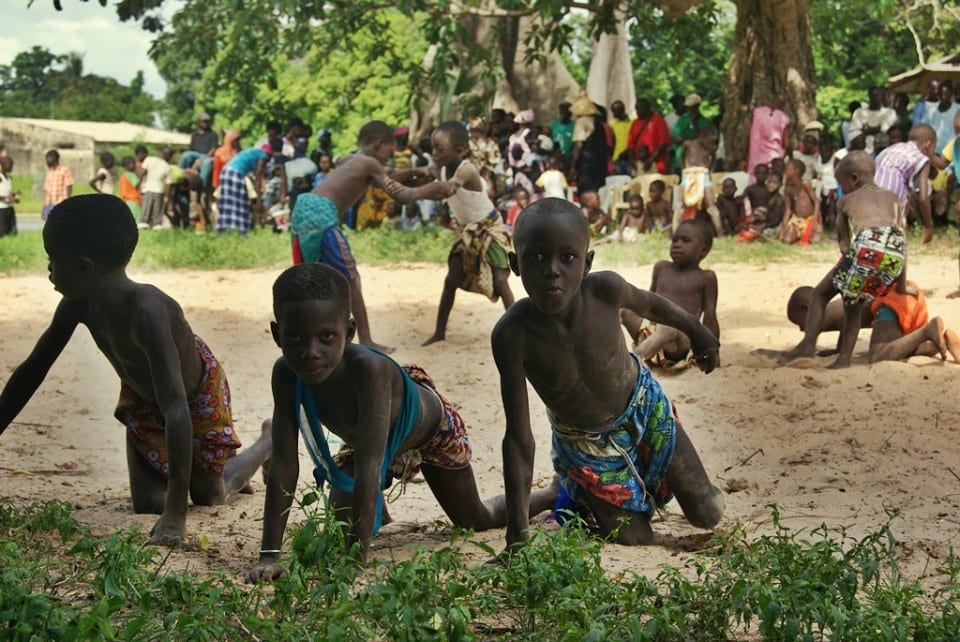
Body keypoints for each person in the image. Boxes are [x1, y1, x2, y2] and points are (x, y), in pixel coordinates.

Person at [243, 263, 556, 581]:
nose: (310, 352)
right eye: (294, 338)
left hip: (432, 432)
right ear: (276, 335)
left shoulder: (369, 372)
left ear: (349, 332)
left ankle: (551, 494)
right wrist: (269, 557)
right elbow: (283, 463)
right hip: (369, 442)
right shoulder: (285, 374)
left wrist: (355, 563)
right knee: (339, 527)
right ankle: (384, 515)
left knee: (475, 518)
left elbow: (370, 466)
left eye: (326, 337)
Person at [0, 194, 272, 544]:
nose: (49, 269)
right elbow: (31, 372)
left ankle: (267, 441)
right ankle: (208, 465)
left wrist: (177, 513)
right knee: (146, 505)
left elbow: (176, 409)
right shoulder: (76, 306)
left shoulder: (148, 312)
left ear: (84, 267)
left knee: (210, 495)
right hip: (142, 399)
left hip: (194, 396)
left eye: (54, 260)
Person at [491, 198, 723, 552]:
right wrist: (516, 538)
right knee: (634, 537)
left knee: (708, 511)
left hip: (644, 410)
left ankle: (586, 490)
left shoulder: (605, 290)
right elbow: (519, 438)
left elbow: (651, 304)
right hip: (585, 445)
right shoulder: (512, 335)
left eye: (567, 258)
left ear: (587, 264)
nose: (552, 270)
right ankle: (574, 491)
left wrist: (699, 332)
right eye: (536, 257)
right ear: (514, 265)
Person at [291, 120, 423, 353]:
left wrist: (414, 173)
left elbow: (385, 175)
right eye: (388, 151)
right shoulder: (370, 162)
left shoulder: (351, 159)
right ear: (379, 143)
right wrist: (437, 188)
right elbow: (399, 193)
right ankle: (366, 340)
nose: (389, 157)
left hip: (304, 210)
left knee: (314, 277)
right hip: (323, 216)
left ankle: (308, 332)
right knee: (350, 279)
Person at [780, 152, 906, 368]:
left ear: (854, 179)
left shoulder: (846, 200)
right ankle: (844, 356)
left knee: (821, 293)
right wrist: (901, 284)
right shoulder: (893, 197)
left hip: (868, 244)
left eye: (841, 183)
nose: (841, 188)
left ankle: (808, 346)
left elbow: (845, 245)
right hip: (895, 252)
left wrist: (848, 273)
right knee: (853, 300)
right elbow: (901, 238)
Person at [399, 121, 515, 347]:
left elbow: (447, 189)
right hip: (466, 231)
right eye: (432, 148)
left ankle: (520, 329)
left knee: (501, 281)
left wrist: (412, 193)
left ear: (460, 151)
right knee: (451, 279)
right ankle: (439, 332)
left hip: (488, 228)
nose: (434, 153)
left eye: (440, 149)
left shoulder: (466, 169)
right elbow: (422, 178)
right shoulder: (439, 168)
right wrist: (389, 178)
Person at [621, 219, 719, 371]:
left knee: (669, 327)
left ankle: (632, 364)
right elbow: (647, 302)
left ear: (703, 251)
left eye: (685, 241)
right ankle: (605, 354)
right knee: (623, 309)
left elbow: (710, 316)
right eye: (674, 240)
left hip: (679, 343)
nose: (677, 244)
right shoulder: (661, 268)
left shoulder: (706, 278)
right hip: (649, 334)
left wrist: (712, 351)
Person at [784, 284, 953, 364]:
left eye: (798, 322)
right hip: (908, 297)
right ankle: (939, 342)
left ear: (806, 309)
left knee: (877, 355)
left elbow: (806, 345)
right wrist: (839, 350)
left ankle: (927, 331)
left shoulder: (825, 313)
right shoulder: (837, 306)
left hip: (889, 303)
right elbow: (848, 324)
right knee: (902, 350)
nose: (801, 329)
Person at [873, 124, 935, 244]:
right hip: (892, 197)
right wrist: (928, 226)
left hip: (871, 189)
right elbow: (923, 198)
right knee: (895, 239)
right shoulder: (921, 158)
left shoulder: (893, 148)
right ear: (928, 145)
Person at [676, 123, 723, 235]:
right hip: (689, 174)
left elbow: (714, 159)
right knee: (679, 206)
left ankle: (721, 233)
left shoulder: (710, 149)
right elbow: (682, 156)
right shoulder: (688, 144)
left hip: (704, 175)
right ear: (702, 136)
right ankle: (675, 233)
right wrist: (684, 169)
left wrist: (710, 170)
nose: (712, 144)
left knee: (711, 206)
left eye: (714, 141)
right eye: (710, 141)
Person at [216, 144, 269, 234]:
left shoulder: (254, 152)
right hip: (235, 173)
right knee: (240, 202)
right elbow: (258, 175)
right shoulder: (263, 156)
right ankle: (241, 230)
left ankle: (225, 229)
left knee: (228, 203)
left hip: (225, 172)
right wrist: (258, 198)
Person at [569, 95, 609, 199]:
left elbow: (578, 146)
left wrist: (573, 166)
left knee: (585, 191)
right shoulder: (599, 124)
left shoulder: (581, 122)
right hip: (599, 162)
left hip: (586, 163)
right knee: (595, 190)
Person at [744, 94, 791, 181]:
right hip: (775, 159)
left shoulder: (756, 113)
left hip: (755, 160)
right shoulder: (784, 118)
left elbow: (748, 137)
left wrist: (744, 158)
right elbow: (787, 144)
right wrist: (790, 158)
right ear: (783, 105)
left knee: (755, 184)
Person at [778, 159, 821, 245]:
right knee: (786, 240)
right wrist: (783, 228)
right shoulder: (788, 189)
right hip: (797, 219)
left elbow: (816, 202)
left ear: (796, 170)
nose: (785, 172)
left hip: (810, 218)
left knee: (813, 241)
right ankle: (795, 233)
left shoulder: (805, 184)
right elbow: (788, 210)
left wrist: (815, 222)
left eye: (787, 169)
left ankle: (811, 232)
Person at [848, 87, 898, 155]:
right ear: (869, 96)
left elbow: (884, 130)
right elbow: (854, 132)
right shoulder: (859, 112)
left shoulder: (890, 113)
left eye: (877, 96)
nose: (875, 98)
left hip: (882, 151)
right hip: (863, 152)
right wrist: (875, 129)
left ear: (881, 97)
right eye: (873, 96)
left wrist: (865, 130)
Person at [627, 98, 671, 175]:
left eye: (639, 109)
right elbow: (630, 145)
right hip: (640, 164)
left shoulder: (658, 120)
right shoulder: (634, 123)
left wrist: (651, 159)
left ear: (646, 107)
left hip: (657, 163)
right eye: (636, 109)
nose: (637, 112)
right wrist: (632, 161)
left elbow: (663, 142)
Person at [135, 145, 173, 230]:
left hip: (148, 188)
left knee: (146, 208)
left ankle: (144, 223)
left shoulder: (149, 159)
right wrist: (167, 197)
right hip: (159, 190)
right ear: (169, 156)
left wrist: (139, 184)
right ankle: (157, 224)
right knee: (157, 210)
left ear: (160, 152)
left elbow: (142, 172)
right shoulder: (167, 166)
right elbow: (168, 184)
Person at [671, 94, 710, 174]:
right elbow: (674, 138)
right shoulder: (682, 120)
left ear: (697, 106)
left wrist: (694, 123)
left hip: (699, 162)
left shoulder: (705, 122)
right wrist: (687, 140)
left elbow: (705, 141)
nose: (689, 109)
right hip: (681, 161)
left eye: (691, 107)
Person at [42, 149, 73, 220]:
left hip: (60, 203)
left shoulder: (64, 170)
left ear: (54, 158)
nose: (46, 161)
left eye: (48, 159)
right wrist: (44, 208)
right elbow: (47, 191)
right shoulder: (49, 173)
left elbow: (69, 185)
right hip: (49, 205)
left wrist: (67, 202)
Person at [609, 100, 634, 176]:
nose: (613, 114)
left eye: (615, 111)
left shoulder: (633, 122)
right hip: (617, 159)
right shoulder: (611, 124)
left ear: (621, 110)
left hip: (631, 158)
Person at [117, 156, 142, 221]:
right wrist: (142, 176)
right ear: (128, 165)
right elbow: (137, 185)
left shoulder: (123, 175)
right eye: (133, 163)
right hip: (133, 200)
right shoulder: (131, 174)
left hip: (126, 200)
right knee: (135, 221)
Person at [0, 156, 18, 237]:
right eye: (10, 165)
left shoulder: (9, 178)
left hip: (10, 208)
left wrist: (14, 196)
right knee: (2, 232)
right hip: (1, 209)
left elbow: (7, 193)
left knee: (12, 231)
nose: (12, 167)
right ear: (3, 165)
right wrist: (7, 198)